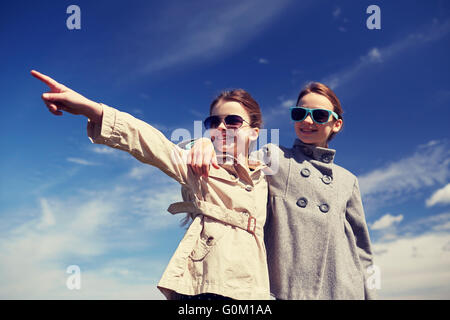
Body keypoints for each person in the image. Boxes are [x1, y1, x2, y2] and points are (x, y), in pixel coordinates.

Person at [30, 70, 271, 300]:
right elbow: (150, 143)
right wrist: (94, 110)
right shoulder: (198, 166)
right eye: (213, 121)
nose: (221, 127)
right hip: (207, 283)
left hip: (255, 289)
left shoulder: (267, 176)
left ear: (254, 132)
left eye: (233, 121)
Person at [187, 82, 377, 299]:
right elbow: (231, 164)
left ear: (337, 124)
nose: (307, 120)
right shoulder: (273, 156)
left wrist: (371, 295)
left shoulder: (348, 180)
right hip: (285, 288)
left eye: (320, 115)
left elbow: (363, 250)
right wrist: (202, 144)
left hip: (340, 289)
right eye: (300, 113)